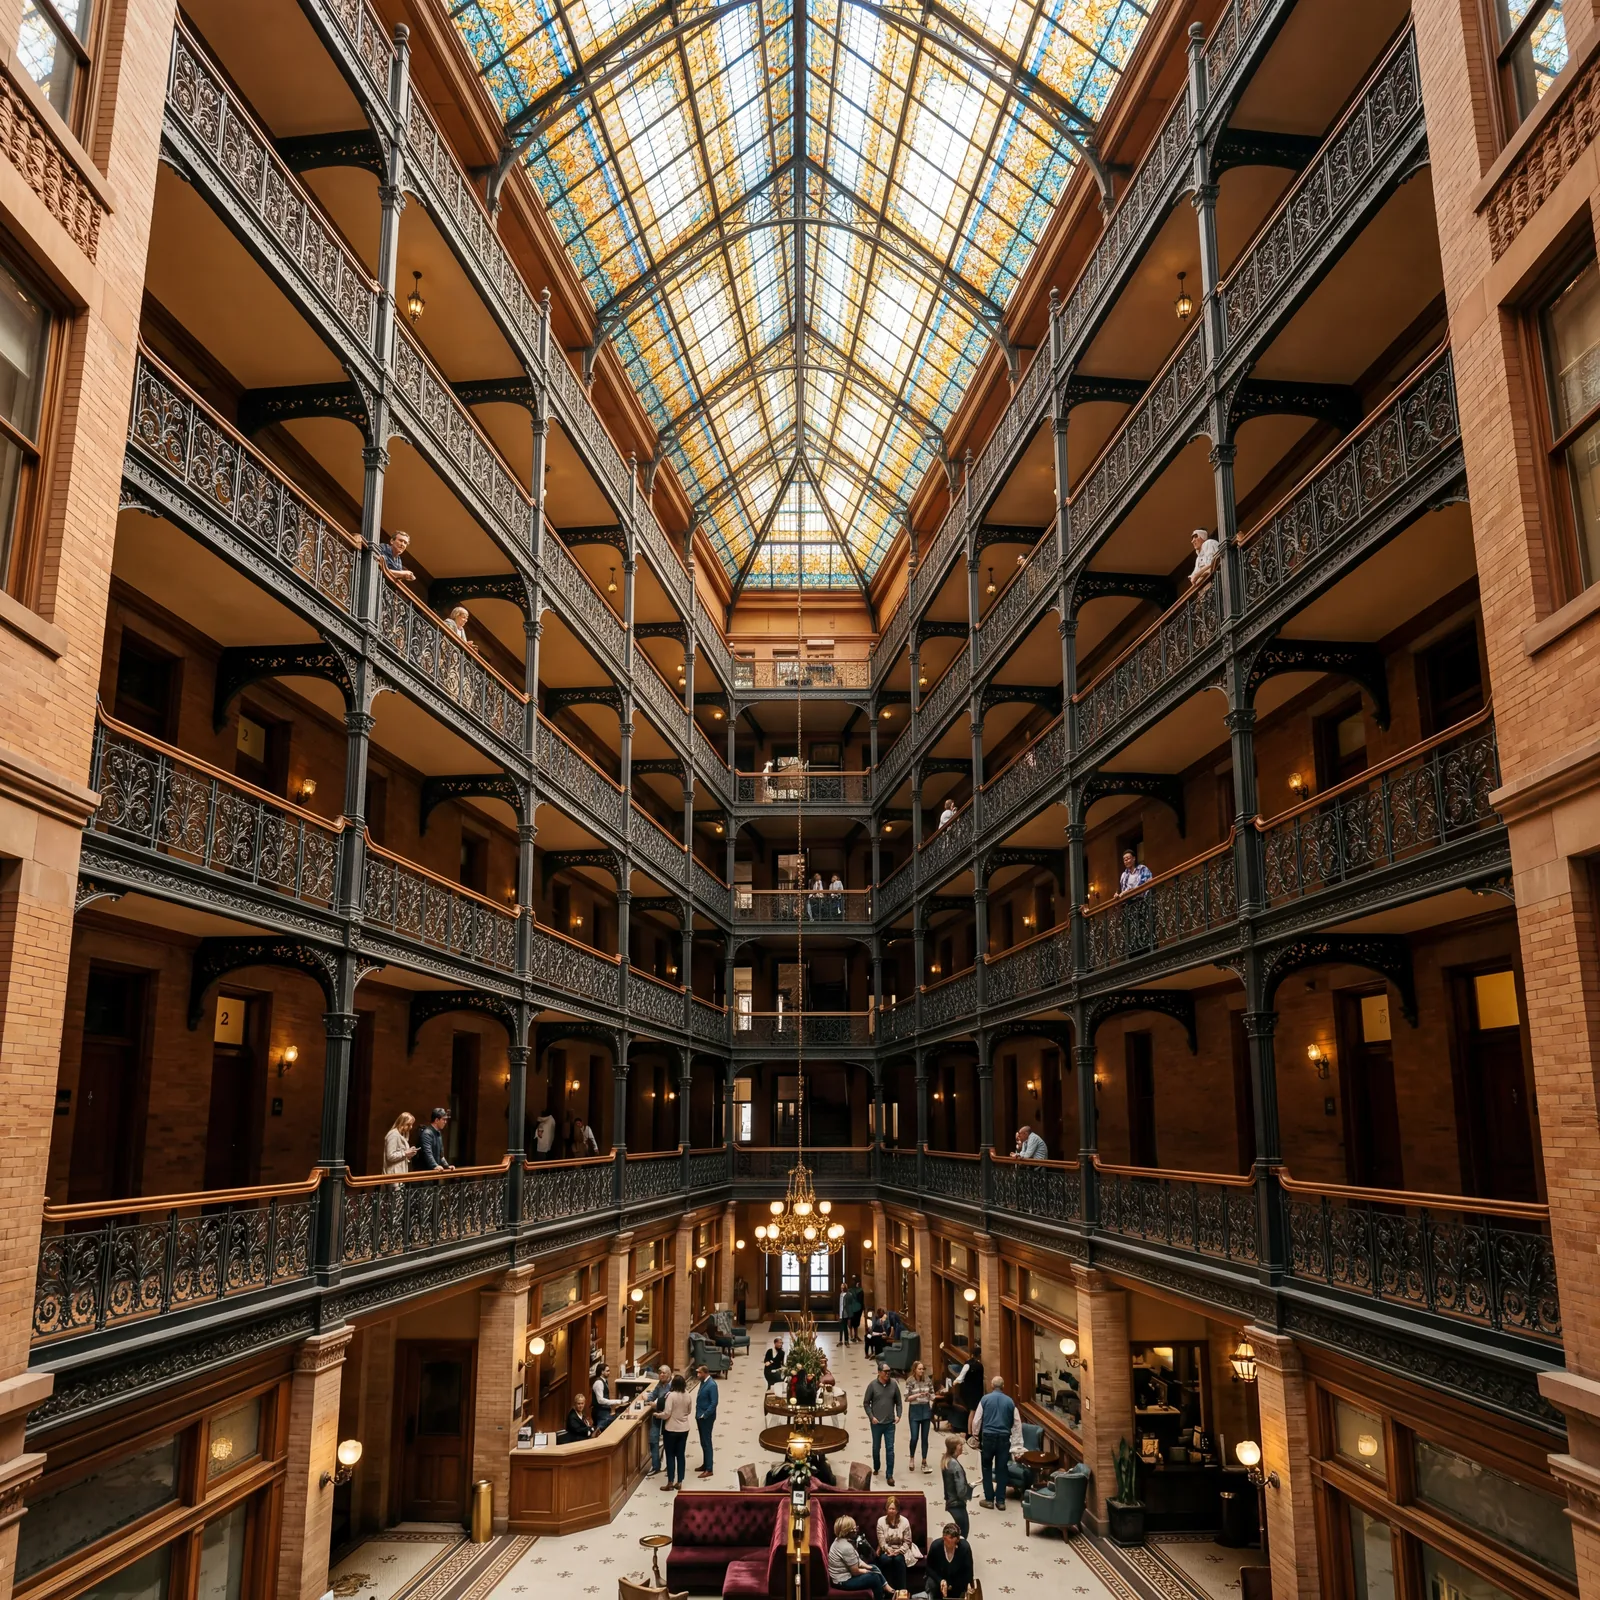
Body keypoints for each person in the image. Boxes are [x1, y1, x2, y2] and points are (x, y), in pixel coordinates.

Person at [969, 1375, 1018, 1509]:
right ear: (1003, 1386)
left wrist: (975, 1436)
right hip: (1004, 1438)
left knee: (986, 1467)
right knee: (1002, 1468)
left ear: (992, 1386)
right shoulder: (1010, 1402)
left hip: (988, 1437)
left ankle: (989, 1499)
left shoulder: (985, 1399)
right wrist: (1016, 1443)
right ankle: (1001, 1501)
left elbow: (977, 1419)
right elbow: (1016, 1423)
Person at [826, 1516, 890, 1598]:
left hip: (845, 1576)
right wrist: (868, 1572)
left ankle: (888, 1589)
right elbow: (855, 1571)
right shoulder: (846, 1547)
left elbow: (856, 1560)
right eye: (854, 1528)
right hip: (843, 1582)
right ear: (847, 1531)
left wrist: (870, 1567)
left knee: (873, 1567)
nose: (856, 1530)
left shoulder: (839, 1540)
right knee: (874, 1578)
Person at [864, 1361, 904, 1486]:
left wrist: (898, 1415)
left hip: (890, 1424)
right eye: (885, 1371)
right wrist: (871, 1417)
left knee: (890, 1449)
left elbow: (899, 1402)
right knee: (876, 1448)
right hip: (876, 1424)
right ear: (879, 1372)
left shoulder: (894, 1385)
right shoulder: (872, 1386)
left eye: (889, 1371)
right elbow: (866, 1403)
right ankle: (876, 1466)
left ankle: (889, 1475)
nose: (888, 1374)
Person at [875, 1496, 921, 1592]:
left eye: (893, 1509)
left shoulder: (904, 1521)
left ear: (897, 1510)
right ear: (886, 1509)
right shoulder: (881, 1521)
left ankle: (902, 1591)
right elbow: (881, 1541)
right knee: (885, 1560)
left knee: (899, 1560)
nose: (891, 1511)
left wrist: (897, 1552)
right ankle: (887, 1592)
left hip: (901, 1550)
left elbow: (907, 1542)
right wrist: (887, 1549)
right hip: (886, 1550)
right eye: (889, 1508)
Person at [659, 1373, 692, 1490]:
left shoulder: (671, 1396)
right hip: (684, 1429)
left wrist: (658, 1415)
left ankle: (670, 1482)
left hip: (671, 1429)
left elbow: (667, 1413)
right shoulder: (688, 1395)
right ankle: (680, 1481)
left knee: (670, 1455)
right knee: (681, 1455)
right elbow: (689, 1411)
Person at [935, 1356, 983, 1433]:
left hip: (969, 1392)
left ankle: (970, 1431)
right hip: (976, 1391)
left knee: (972, 1412)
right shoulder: (979, 1365)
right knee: (973, 1412)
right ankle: (971, 1432)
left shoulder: (967, 1365)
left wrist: (954, 1383)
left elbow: (960, 1378)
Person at [927, 1521, 974, 1599]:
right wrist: (940, 1580)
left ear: (957, 1539)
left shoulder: (965, 1547)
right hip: (939, 1577)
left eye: (952, 1540)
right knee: (932, 1585)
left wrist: (969, 1583)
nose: (948, 1542)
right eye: (946, 1539)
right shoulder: (935, 1546)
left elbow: (968, 1569)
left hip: (957, 1579)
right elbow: (929, 1567)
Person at [906, 1359, 934, 1474]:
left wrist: (930, 1396)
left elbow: (933, 1395)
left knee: (925, 1438)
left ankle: (924, 1461)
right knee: (914, 1437)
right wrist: (917, 1395)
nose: (922, 1371)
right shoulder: (910, 1381)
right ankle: (912, 1457)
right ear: (915, 1370)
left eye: (923, 1369)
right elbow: (907, 1397)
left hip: (926, 1410)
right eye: (920, 1369)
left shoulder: (927, 1380)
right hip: (915, 1410)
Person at [942, 1439, 974, 1538]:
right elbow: (960, 1492)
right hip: (957, 1504)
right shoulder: (955, 1465)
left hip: (950, 1501)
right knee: (962, 1533)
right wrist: (970, 1489)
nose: (962, 1447)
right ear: (955, 1448)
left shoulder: (947, 1460)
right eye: (960, 1445)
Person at [645, 1363, 672, 1475]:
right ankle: (655, 1466)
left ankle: (667, 1465)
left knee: (667, 1442)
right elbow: (653, 1395)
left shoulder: (672, 1386)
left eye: (663, 1373)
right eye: (660, 1373)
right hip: (657, 1416)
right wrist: (646, 1399)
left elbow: (669, 1403)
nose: (661, 1375)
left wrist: (655, 1405)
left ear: (669, 1374)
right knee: (653, 1439)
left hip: (668, 1418)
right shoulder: (660, 1384)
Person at [694, 1362, 718, 1478]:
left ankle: (709, 1469)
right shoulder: (703, 1382)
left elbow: (714, 1403)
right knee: (703, 1441)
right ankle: (705, 1464)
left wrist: (705, 1415)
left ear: (705, 1373)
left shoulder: (712, 1385)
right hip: (700, 1416)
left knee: (707, 1442)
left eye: (699, 1372)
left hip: (706, 1418)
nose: (697, 1374)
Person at [591, 1363, 617, 1431]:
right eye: (607, 1371)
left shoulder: (604, 1381)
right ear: (602, 1372)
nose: (609, 1372)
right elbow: (600, 1400)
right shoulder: (599, 1383)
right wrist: (616, 1401)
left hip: (604, 1410)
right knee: (601, 1430)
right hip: (600, 1411)